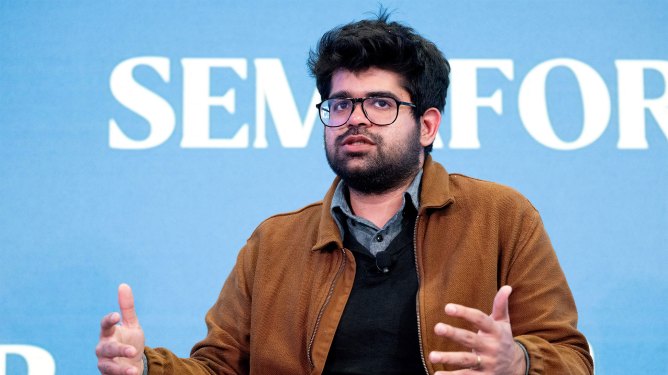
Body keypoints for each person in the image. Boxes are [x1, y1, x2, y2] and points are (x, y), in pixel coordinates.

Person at [96, 11, 593, 375]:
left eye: (379, 102)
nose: (354, 117)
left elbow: (573, 359)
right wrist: (143, 368)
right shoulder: (274, 243)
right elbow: (219, 368)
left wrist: (519, 362)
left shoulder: (501, 217)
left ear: (427, 124)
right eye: (339, 104)